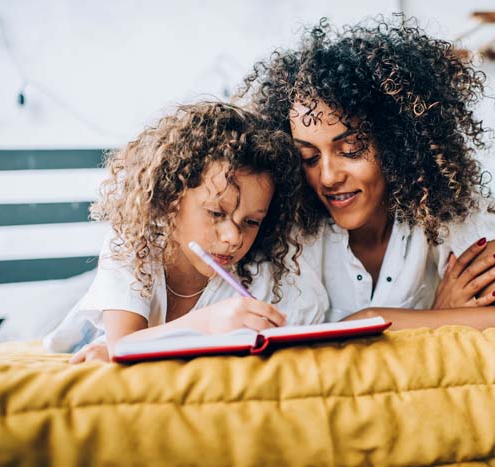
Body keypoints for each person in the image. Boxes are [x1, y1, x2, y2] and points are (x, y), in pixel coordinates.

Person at [241, 16, 495, 330]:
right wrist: (435, 319)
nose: (328, 177)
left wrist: (370, 320)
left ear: (397, 142)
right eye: (309, 157)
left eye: (351, 150)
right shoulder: (290, 227)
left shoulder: (444, 198)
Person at [44, 102, 328, 362]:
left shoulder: (258, 273)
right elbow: (123, 345)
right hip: (82, 337)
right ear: (170, 201)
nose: (233, 237)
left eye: (251, 222)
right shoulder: (131, 245)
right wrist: (208, 323)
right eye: (216, 213)